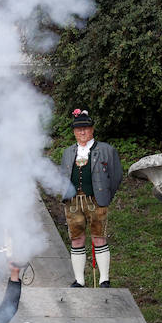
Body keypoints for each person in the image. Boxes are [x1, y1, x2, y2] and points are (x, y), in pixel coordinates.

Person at [59, 108, 123, 288]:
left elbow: (116, 175)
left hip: (96, 200)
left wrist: (105, 196)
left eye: (85, 128)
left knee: (99, 237)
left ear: (92, 129)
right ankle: (79, 280)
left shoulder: (106, 150)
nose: (82, 132)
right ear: (74, 132)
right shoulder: (67, 153)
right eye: (78, 129)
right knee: (77, 239)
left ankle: (104, 279)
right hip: (73, 202)